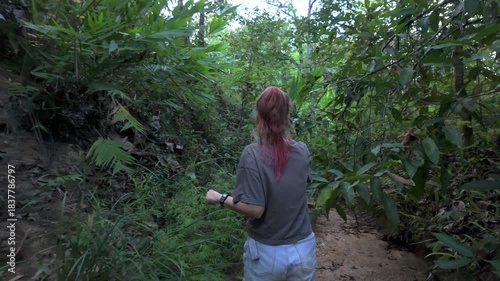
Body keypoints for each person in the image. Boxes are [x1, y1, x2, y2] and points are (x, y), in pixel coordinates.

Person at [205, 86, 316, 280]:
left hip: (268, 253)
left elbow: (255, 210)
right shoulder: (302, 151)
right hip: (303, 248)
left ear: (259, 116)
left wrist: (219, 198)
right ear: (287, 116)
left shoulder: (252, 154)